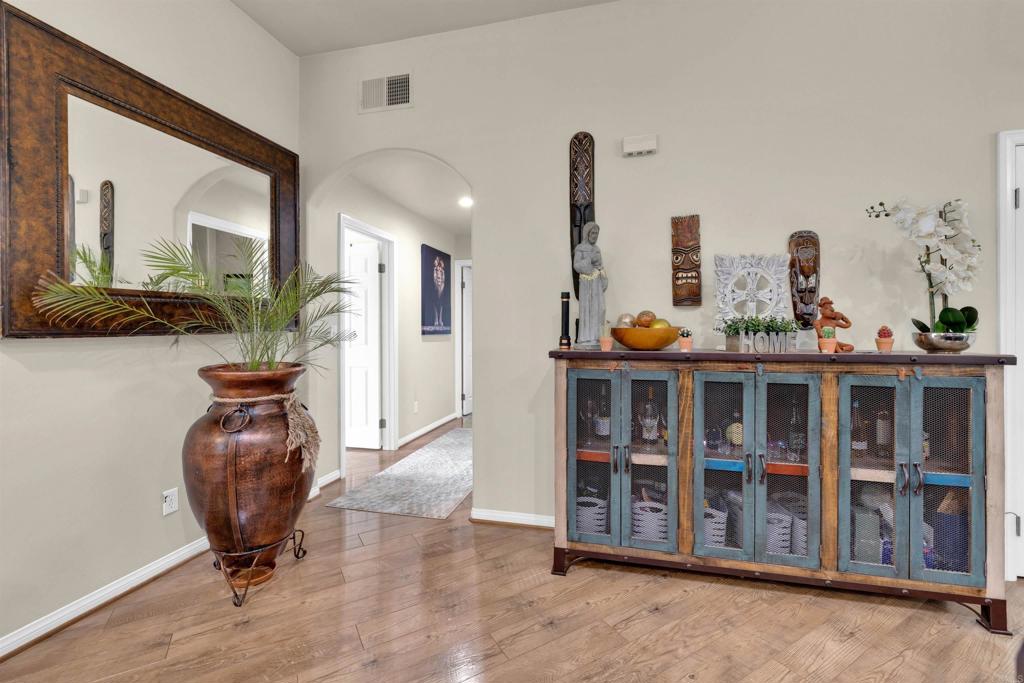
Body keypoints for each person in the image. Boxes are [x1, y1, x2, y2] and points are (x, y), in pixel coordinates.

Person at [573, 221, 607, 349]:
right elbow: (576, 266)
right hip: (586, 284)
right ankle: (586, 338)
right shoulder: (580, 248)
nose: (595, 236)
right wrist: (589, 260)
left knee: (600, 308)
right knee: (587, 309)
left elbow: (600, 266)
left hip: (596, 282)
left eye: (597, 233)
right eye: (593, 233)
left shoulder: (597, 249)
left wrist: (604, 276)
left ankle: (597, 337)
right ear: (587, 233)